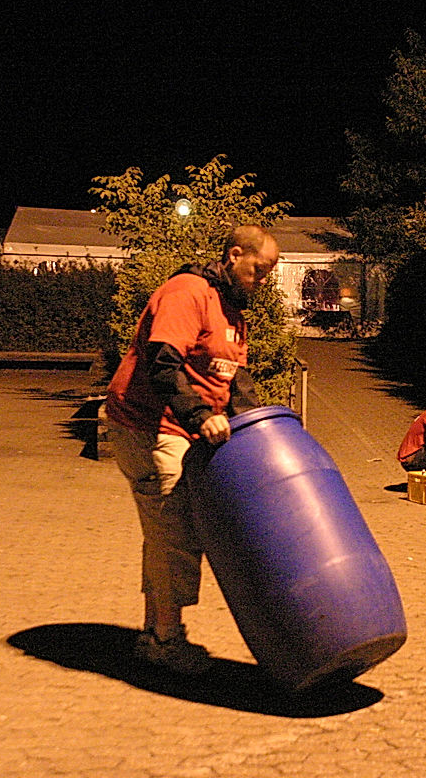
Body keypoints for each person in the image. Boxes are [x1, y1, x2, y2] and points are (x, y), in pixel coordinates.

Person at [104, 224, 280, 674]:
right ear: (234, 255)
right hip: (149, 425)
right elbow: (163, 362)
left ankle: (154, 635)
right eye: (258, 270)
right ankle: (166, 641)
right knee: (175, 532)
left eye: (269, 275)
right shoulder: (188, 292)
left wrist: (266, 437)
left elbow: (236, 384)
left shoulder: (233, 315)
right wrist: (200, 415)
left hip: (179, 430)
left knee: (165, 531)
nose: (262, 281)